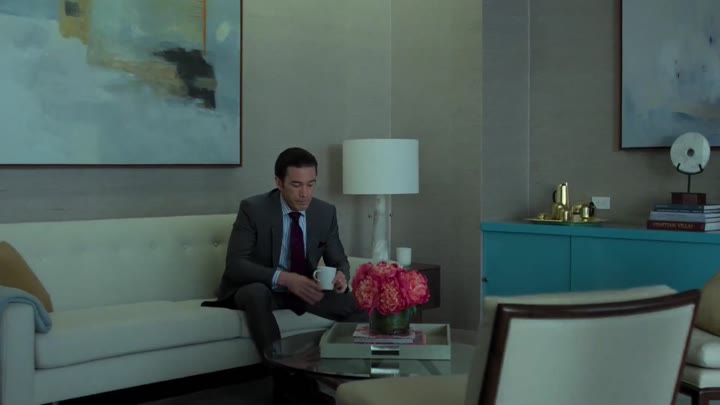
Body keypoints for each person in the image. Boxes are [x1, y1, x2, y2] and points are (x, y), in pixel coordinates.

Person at [209, 147, 367, 356]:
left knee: (361, 304)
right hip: (264, 288)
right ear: (279, 182)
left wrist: (341, 277)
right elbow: (236, 265)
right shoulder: (253, 209)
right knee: (256, 293)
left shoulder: (325, 212)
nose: (305, 193)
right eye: (296, 185)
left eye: (311, 184)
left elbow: (339, 261)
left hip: (304, 290)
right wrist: (284, 278)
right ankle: (281, 368)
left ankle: (328, 359)